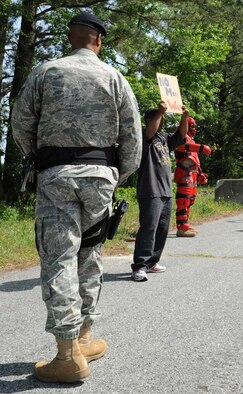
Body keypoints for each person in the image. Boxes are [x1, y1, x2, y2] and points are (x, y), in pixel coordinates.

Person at [11, 12, 142, 383]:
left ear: (70, 38)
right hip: (100, 177)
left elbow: (21, 123)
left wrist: (39, 158)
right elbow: (132, 136)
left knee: (59, 258)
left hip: (56, 176)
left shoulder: (45, 72)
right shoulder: (114, 78)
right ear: (98, 41)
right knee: (89, 254)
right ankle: (84, 337)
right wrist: (118, 173)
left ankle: (68, 354)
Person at [131, 102, 189, 282]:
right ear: (150, 120)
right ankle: (140, 265)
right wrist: (161, 111)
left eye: (162, 117)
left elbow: (181, 134)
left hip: (165, 191)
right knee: (148, 228)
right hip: (150, 190)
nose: (162, 120)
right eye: (159, 117)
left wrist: (184, 117)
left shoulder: (163, 138)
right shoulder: (143, 135)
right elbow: (149, 131)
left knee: (162, 229)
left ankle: (152, 261)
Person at [174, 117, 212, 237]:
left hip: (192, 173)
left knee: (189, 201)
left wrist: (200, 174)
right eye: (193, 126)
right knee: (183, 201)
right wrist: (201, 148)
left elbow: (194, 160)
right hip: (184, 173)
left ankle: (185, 224)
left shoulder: (191, 140)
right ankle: (181, 227)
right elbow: (183, 147)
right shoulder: (180, 137)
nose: (194, 129)